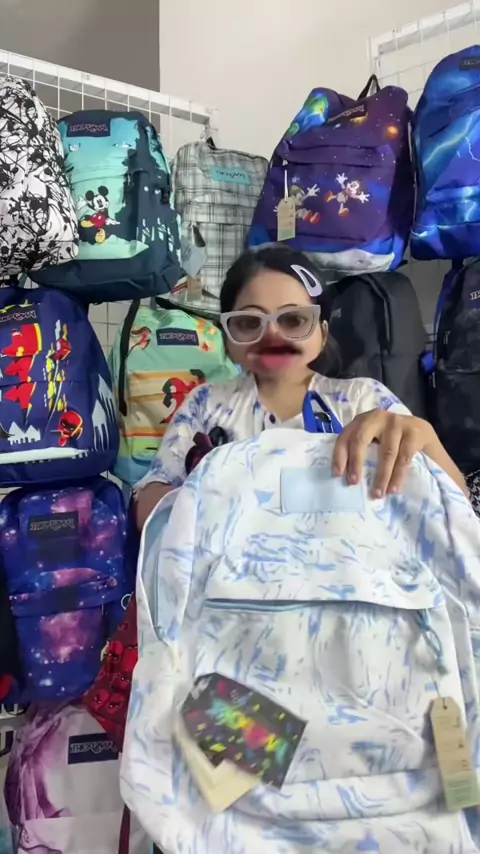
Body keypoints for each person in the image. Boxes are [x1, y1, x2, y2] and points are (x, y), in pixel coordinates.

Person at [134, 245, 467, 529]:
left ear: (323, 332)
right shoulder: (206, 404)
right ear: (228, 337)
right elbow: (147, 504)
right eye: (249, 322)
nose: (273, 335)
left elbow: (457, 505)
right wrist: (206, 496)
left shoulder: (365, 400)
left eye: (293, 320)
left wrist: (424, 437)